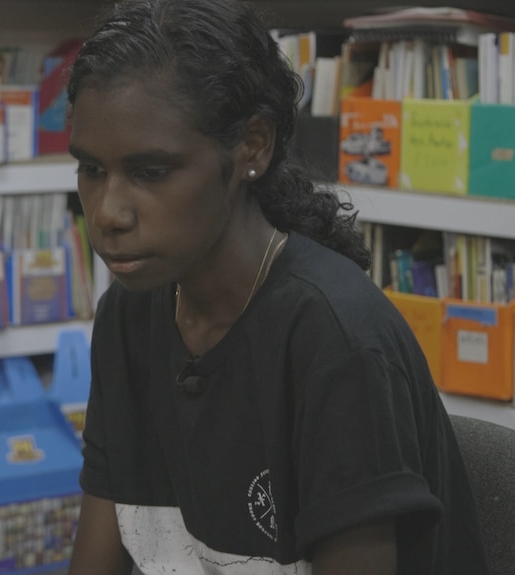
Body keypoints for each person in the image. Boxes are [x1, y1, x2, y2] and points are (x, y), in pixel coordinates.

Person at [64, 0, 490, 573]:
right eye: (92, 170)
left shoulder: (336, 341)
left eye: (150, 172)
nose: (108, 212)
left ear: (253, 147)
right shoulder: (130, 311)